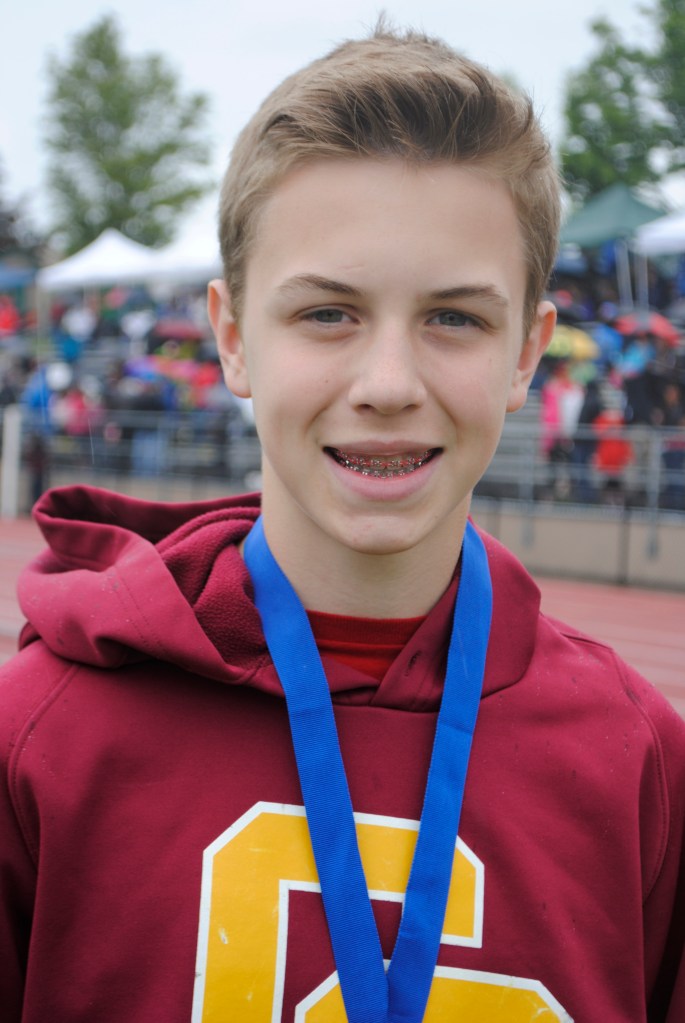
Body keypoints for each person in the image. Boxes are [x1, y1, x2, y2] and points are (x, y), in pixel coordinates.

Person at [0, 25, 683, 1023]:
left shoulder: (640, 764)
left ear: (528, 348)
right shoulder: (38, 739)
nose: (388, 385)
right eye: (328, 313)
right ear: (233, 338)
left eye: (455, 317)